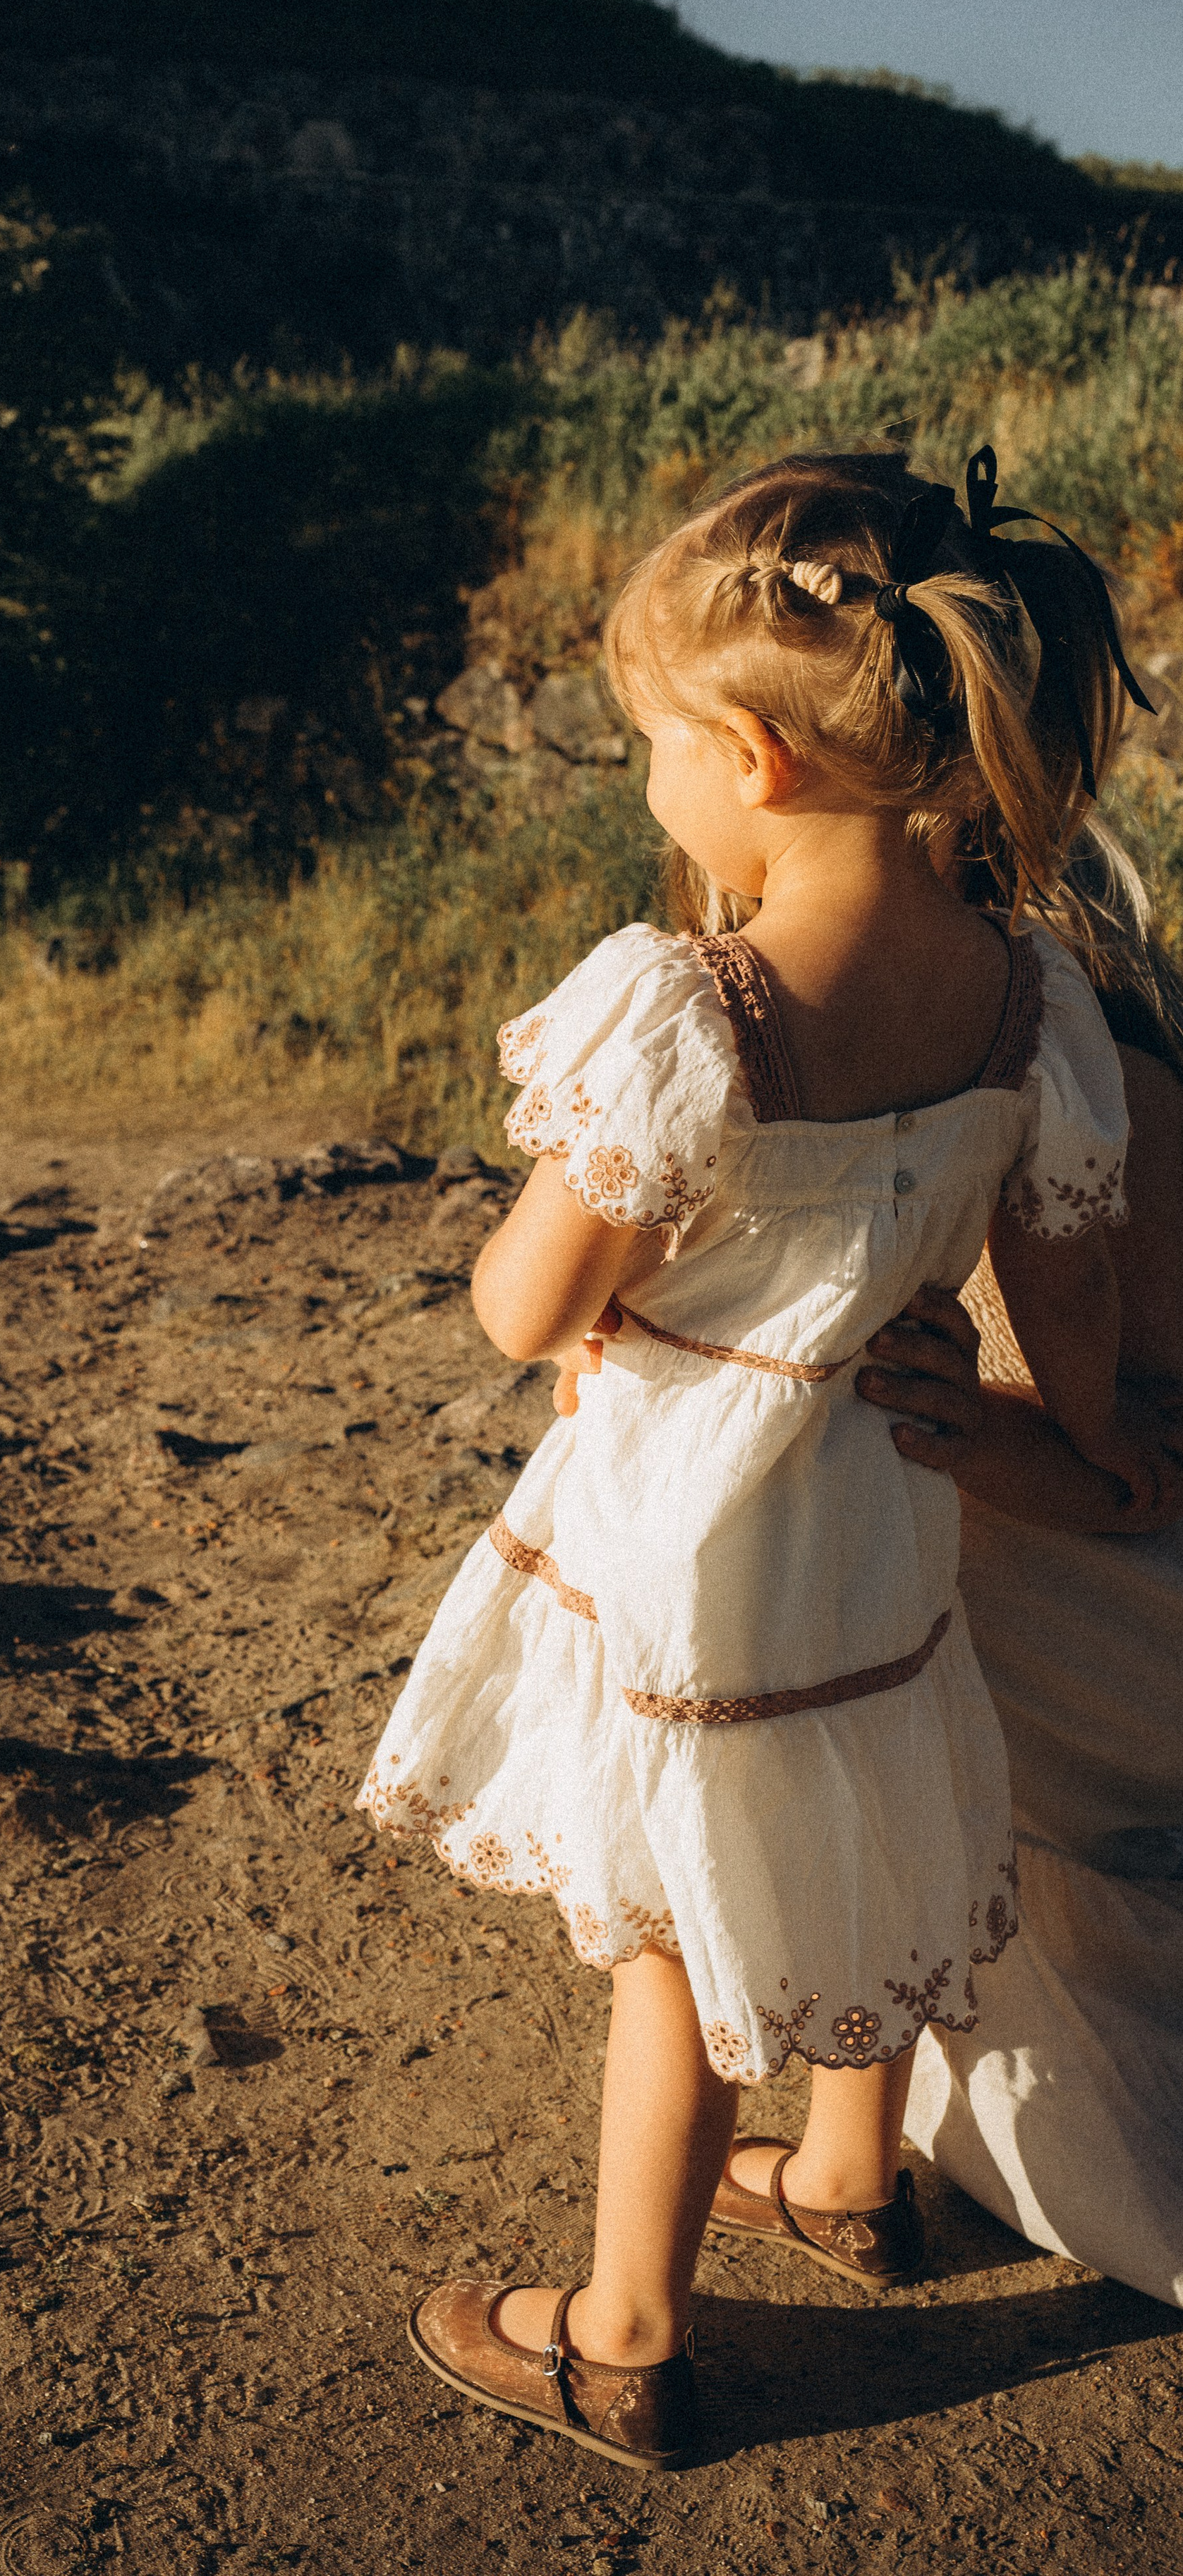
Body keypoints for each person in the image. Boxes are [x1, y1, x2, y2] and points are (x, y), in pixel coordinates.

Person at [358, 446, 1155, 2467]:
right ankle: (853, 2181)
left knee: (674, 1933)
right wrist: (1033, 1439)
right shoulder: (1033, 1006)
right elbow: (1072, 1339)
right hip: (891, 1520)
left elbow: (528, 1308)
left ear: (755, 766)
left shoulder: (685, 1010)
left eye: (649, 747)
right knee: (874, 1822)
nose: (648, 787)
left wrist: (602, 1290)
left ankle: (622, 2332)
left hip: (695, 1541)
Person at [854, 806, 1183, 2310]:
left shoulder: (1098, 1104)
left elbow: (1140, 1475)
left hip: (1133, 1611)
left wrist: (964, 1433)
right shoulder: (1096, 1065)